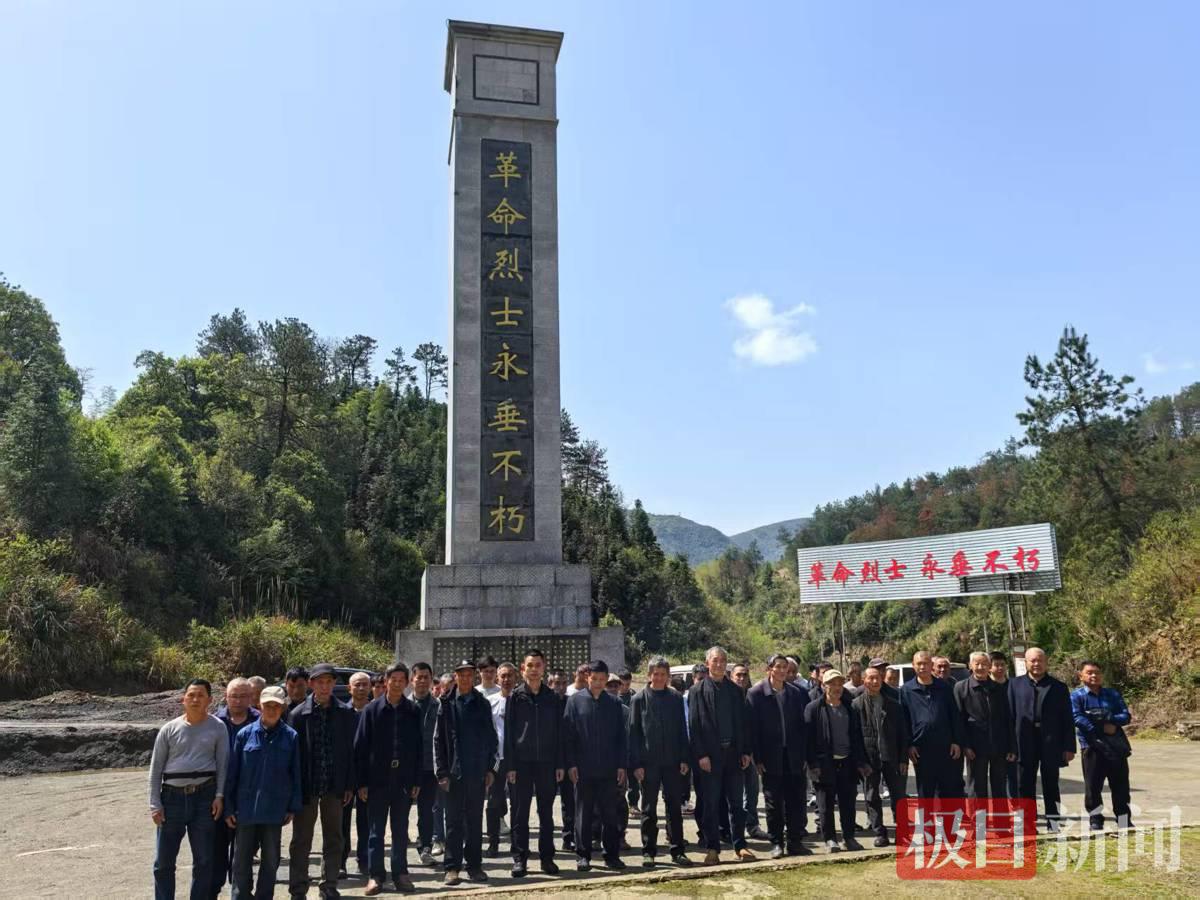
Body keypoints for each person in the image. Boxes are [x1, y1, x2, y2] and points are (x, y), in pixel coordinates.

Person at [149, 678, 229, 900]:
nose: (195, 699)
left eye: (200, 695)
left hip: (205, 797)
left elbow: (223, 765)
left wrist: (219, 796)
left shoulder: (218, 727)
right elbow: (155, 770)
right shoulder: (169, 729)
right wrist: (155, 804)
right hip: (171, 798)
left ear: (210, 700)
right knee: (163, 862)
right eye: (191, 695)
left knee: (204, 861)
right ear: (183, 699)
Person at [287, 662, 357, 899]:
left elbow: (351, 752)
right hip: (308, 786)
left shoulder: (345, 713)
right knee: (301, 840)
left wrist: (349, 784)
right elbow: (293, 757)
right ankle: (298, 888)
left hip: (334, 786)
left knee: (334, 837)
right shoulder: (298, 715)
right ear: (311, 684)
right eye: (320, 682)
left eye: (329, 682)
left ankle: (329, 885)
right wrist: (294, 790)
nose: (325, 686)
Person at [224, 685, 302, 900]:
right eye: (268, 705)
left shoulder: (291, 737)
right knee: (241, 859)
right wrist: (229, 807)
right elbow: (232, 774)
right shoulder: (244, 735)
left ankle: (264, 896)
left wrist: (292, 807)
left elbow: (295, 774)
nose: (271, 709)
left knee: (271, 859)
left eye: (276, 706)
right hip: (246, 809)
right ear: (260, 705)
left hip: (274, 810)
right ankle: (241, 896)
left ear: (282, 707)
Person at [354, 663, 421, 895]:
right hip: (377, 780)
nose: (398, 683)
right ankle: (375, 876)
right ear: (386, 681)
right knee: (376, 831)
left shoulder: (412, 711)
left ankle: (400, 874)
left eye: (402, 679)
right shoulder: (371, 710)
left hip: (403, 779)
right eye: (394, 679)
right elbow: (360, 748)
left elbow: (418, 748)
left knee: (400, 830)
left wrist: (416, 781)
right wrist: (361, 782)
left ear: (407, 682)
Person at [689, 646, 756, 865]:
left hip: (733, 756)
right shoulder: (697, 691)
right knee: (710, 803)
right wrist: (701, 755)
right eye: (715, 661)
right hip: (710, 757)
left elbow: (744, 725)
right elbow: (694, 726)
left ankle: (740, 845)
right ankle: (712, 847)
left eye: (723, 661)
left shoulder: (736, 691)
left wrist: (746, 751)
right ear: (707, 663)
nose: (719, 664)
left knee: (737, 804)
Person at [434, 659, 498, 886]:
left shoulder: (482, 703)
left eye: (470, 674)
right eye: (462, 674)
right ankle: (452, 868)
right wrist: (441, 772)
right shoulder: (446, 703)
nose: (466, 678)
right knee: (453, 822)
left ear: (474, 676)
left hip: (477, 772)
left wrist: (491, 768)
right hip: (453, 773)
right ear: (456, 676)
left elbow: (492, 738)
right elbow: (438, 740)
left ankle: (475, 866)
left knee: (474, 821)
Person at [563, 659, 628, 871]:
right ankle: (583, 855)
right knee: (583, 814)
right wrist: (571, 763)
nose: (598, 683)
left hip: (608, 769)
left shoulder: (614, 703)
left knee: (610, 813)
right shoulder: (575, 702)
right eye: (594, 679)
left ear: (607, 679)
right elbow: (568, 736)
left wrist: (621, 765)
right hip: (583, 769)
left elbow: (621, 737)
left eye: (602, 679)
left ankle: (611, 855)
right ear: (587, 677)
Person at [504, 648, 564, 877]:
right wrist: (510, 766)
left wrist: (559, 764)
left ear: (544, 667)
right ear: (523, 669)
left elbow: (559, 733)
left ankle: (547, 858)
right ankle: (520, 859)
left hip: (547, 763)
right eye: (530, 665)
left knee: (546, 813)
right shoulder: (515, 697)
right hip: (521, 764)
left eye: (538, 665)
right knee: (520, 813)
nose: (534, 669)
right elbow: (509, 734)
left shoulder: (552, 698)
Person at [629, 657, 692, 868]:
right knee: (648, 808)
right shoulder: (639, 699)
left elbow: (683, 730)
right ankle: (649, 851)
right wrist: (636, 764)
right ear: (649, 676)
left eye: (663, 674)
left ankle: (677, 850)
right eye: (655, 674)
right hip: (648, 764)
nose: (659, 678)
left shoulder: (675, 698)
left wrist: (684, 758)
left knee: (674, 807)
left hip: (673, 762)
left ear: (668, 676)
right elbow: (634, 734)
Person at [748, 653, 811, 859]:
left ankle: (795, 841)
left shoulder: (798, 693)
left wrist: (804, 756)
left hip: (794, 756)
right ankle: (777, 842)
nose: (783, 670)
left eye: (785, 667)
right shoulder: (756, 694)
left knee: (796, 801)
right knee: (773, 803)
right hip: (770, 757)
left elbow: (804, 729)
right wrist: (757, 758)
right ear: (769, 670)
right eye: (778, 667)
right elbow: (753, 730)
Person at [1009, 648, 1076, 831]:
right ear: (1026, 663)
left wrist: (1069, 746)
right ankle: (1027, 823)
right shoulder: (1014, 685)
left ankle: (1053, 822)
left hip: (1050, 741)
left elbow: (1067, 719)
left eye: (1040, 660)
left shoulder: (1058, 687)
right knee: (1025, 784)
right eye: (1032, 661)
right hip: (1023, 741)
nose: (1036, 664)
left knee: (1051, 783)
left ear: (1046, 662)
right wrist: (1010, 746)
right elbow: (1009, 717)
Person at [805, 669, 869, 853]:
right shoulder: (814, 708)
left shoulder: (850, 707)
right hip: (824, 765)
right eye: (832, 683)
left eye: (840, 683)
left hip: (847, 763)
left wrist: (861, 762)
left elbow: (857, 736)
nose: (836, 687)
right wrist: (812, 765)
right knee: (825, 806)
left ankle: (849, 837)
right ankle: (830, 839)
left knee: (848, 804)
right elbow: (808, 740)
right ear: (823, 685)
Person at [211, 678, 260, 900]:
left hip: (249, 798)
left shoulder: (261, 721)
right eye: (234, 696)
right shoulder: (214, 722)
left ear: (251, 698)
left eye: (243, 696)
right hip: (217, 796)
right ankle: (212, 891)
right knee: (215, 852)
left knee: (244, 854)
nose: (238, 701)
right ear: (226, 697)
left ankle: (241, 895)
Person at [1071, 660, 1132, 830]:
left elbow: (1125, 715)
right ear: (1081, 676)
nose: (1093, 676)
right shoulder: (1077, 696)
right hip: (1091, 746)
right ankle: (1096, 819)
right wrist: (1098, 728)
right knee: (1093, 786)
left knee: (1120, 785)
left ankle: (1123, 819)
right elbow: (1076, 717)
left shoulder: (1112, 694)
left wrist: (1111, 720)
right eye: (1089, 672)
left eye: (1097, 672)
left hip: (1115, 745)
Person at [853, 664, 909, 847]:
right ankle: (879, 832)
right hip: (869, 759)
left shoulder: (893, 704)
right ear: (864, 681)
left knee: (898, 795)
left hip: (891, 756)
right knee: (871, 796)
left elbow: (903, 734)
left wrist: (902, 759)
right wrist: (861, 761)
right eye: (870, 678)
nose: (875, 681)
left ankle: (903, 830)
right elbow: (854, 736)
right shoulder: (856, 705)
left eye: (877, 678)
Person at [899, 651, 964, 798]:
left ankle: (948, 821)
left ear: (931, 665)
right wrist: (909, 745)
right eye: (919, 664)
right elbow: (904, 721)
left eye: (926, 663)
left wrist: (956, 741)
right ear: (913, 666)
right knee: (925, 791)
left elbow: (954, 715)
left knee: (948, 790)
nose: (922, 667)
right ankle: (927, 821)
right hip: (921, 749)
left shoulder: (944, 687)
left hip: (946, 747)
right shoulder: (906, 690)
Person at [954, 652, 1016, 802]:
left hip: (999, 746)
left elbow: (1008, 720)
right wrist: (966, 746)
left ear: (989, 666)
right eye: (977, 663)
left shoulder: (999, 688)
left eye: (984, 664)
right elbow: (958, 720)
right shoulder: (961, 688)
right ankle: (980, 824)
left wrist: (1011, 747)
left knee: (999, 786)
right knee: (976, 788)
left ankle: (1001, 821)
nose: (980, 667)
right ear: (970, 665)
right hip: (975, 748)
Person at [409, 662, 442, 866]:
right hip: (406, 768)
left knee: (426, 811)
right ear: (412, 680)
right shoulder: (403, 705)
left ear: (431, 680)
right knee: (401, 811)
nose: (422, 680)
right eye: (418, 677)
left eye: (426, 677)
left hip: (429, 767)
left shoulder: (438, 706)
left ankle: (426, 847)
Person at [730, 663, 768, 841]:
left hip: (751, 752)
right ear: (731, 677)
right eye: (738, 675)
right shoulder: (727, 695)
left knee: (752, 791)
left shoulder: (753, 696)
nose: (741, 678)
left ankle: (752, 825)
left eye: (744, 675)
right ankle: (732, 829)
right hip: (731, 753)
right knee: (733, 794)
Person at [341, 672, 372, 878]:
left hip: (367, 776)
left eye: (365, 685)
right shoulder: (341, 712)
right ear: (349, 689)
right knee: (341, 822)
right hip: (344, 776)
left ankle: (365, 860)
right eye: (357, 685)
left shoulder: (376, 711)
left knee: (366, 822)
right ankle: (340, 862)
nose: (361, 688)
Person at [485, 662, 517, 857]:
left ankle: (518, 843)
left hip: (516, 760)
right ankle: (493, 842)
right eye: (503, 676)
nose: (506, 680)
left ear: (516, 678)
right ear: (497, 678)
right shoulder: (490, 701)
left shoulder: (521, 700)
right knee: (494, 802)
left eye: (510, 676)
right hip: (496, 760)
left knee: (518, 802)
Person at [989, 651, 1018, 798]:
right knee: (998, 777)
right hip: (994, 738)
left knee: (1015, 775)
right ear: (990, 667)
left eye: (1002, 665)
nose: (1000, 668)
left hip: (1014, 735)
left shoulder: (1014, 685)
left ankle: (1015, 804)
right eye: (996, 665)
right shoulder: (987, 687)